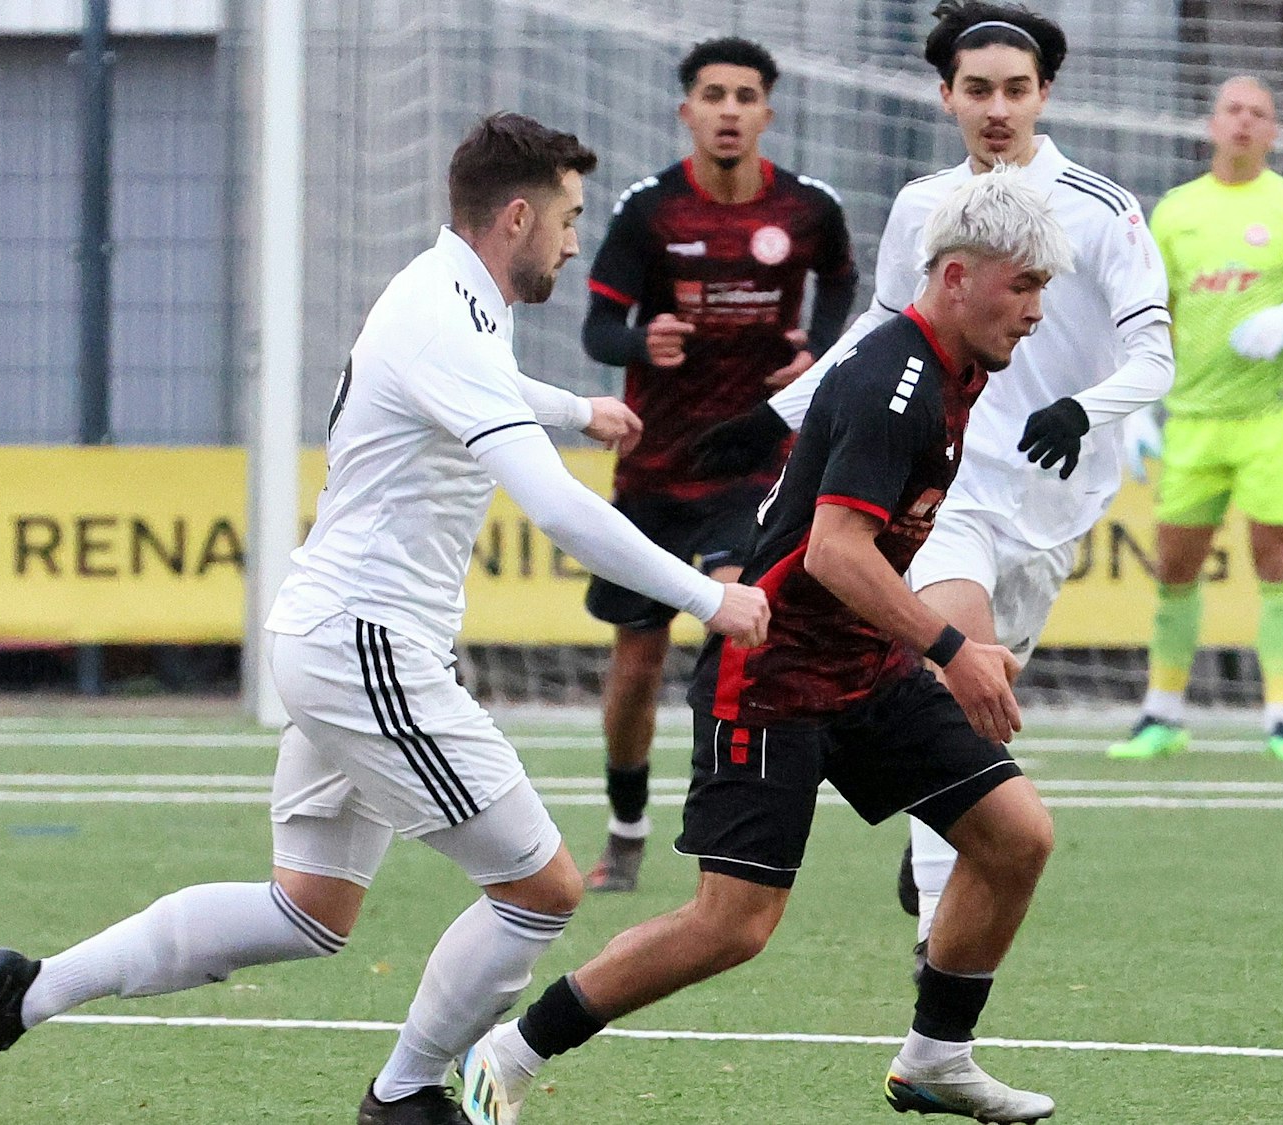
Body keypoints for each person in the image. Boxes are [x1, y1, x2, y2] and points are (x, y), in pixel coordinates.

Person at [0, 113, 770, 1125]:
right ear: (514, 216)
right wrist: (706, 595)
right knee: (540, 888)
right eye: (567, 219)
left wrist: (571, 409)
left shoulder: (447, 298)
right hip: (368, 646)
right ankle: (405, 1097)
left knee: (306, 911)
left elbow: (464, 384)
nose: (574, 241)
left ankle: (27, 988)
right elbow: (555, 508)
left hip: (335, 640)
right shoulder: (446, 315)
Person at [460, 170, 1071, 1125]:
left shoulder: (954, 368)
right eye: (1024, 286)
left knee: (1014, 835)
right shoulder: (895, 381)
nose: (1036, 312)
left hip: (863, 671)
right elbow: (834, 552)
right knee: (732, 925)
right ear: (956, 276)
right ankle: (511, 1047)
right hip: (773, 679)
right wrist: (953, 647)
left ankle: (936, 1058)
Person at [691, 0, 1171, 963]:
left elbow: (1155, 356)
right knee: (948, 671)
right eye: (978, 90)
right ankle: (936, 940)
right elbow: (875, 338)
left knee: (976, 707)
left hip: (1051, 505)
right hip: (941, 499)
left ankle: (939, 847)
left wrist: (1085, 409)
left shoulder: (1102, 205)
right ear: (947, 97)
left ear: (1045, 97)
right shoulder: (926, 207)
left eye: (1016, 90)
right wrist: (768, 421)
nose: (997, 108)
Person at [579, 37, 856, 893]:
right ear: (686, 112)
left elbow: (847, 292)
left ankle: (727, 821)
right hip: (655, 473)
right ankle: (627, 827)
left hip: (757, 465)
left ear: (767, 113)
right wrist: (640, 339)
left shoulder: (809, 209)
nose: (729, 110)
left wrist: (817, 353)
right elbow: (598, 329)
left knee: (739, 629)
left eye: (744, 96)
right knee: (637, 663)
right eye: (712, 95)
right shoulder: (649, 209)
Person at [1109, 75, 1283, 763]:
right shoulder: (1175, 212)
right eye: (1233, 110)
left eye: (1259, 113)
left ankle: (1280, 716)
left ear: (1274, 131)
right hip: (1192, 418)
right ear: (1211, 123)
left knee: (1275, 556)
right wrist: (1137, 407)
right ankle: (1162, 713)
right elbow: (1148, 314)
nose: (1245, 123)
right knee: (1174, 563)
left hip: (1273, 417)